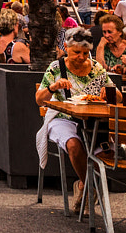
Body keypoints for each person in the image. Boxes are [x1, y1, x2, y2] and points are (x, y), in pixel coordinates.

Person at [35, 27, 114, 214]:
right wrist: (53, 87)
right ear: (66, 47)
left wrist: (110, 92)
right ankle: (88, 187)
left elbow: (115, 95)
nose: (81, 57)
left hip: (91, 120)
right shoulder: (56, 67)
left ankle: (83, 186)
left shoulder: (96, 68)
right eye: (76, 52)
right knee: (73, 145)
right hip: (62, 117)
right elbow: (39, 100)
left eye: (85, 53)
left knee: (107, 152)